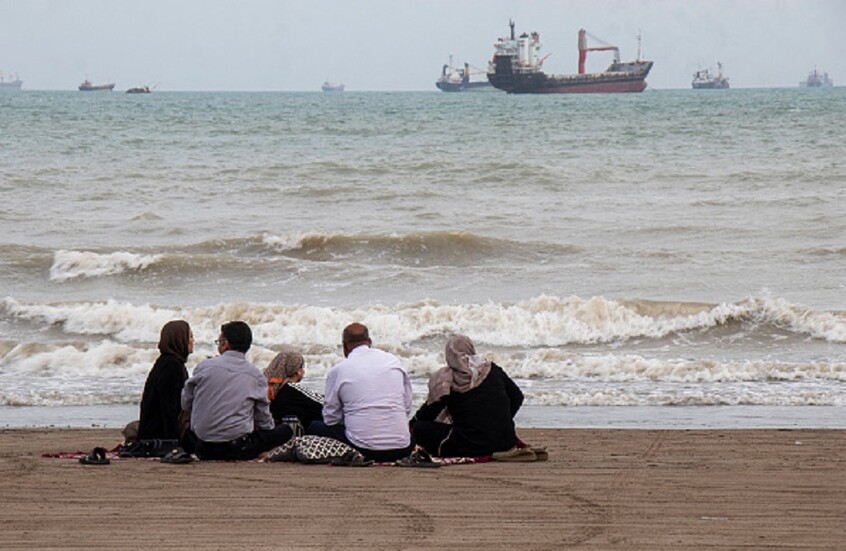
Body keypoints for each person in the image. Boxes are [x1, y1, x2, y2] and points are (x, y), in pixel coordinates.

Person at [182, 321, 292, 460]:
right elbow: (263, 420)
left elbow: (185, 402)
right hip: (237, 448)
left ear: (225, 344)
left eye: (219, 341)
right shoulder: (255, 375)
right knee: (285, 430)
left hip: (201, 446)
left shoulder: (204, 367)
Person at [308, 323, 414, 462]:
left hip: (364, 448)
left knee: (314, 426)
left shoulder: (339, 370)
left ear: (344, 346)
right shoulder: (393, 362)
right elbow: (406, 407)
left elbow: (331, 418)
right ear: (369, 342)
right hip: (403, 447)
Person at [409, 334, 523, 458]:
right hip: (506, 442)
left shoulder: (449, 379)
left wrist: (412, 424)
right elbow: (517, 397)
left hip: (471, 446)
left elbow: (429, 412)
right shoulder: (492, 369)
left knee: (419, 428)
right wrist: (500, 420)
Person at [138, 320, 193, 442]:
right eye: (189, 336)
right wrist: (172, 442)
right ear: (179, 339)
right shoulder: (171, 365)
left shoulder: (171, 362)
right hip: (158, 435)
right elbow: (168, 407)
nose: (192, 340)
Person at [263, 349, 324, 431]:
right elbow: (322, 404)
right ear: (298, 371)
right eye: (302, 367)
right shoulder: (292, 389)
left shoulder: (272, 389)